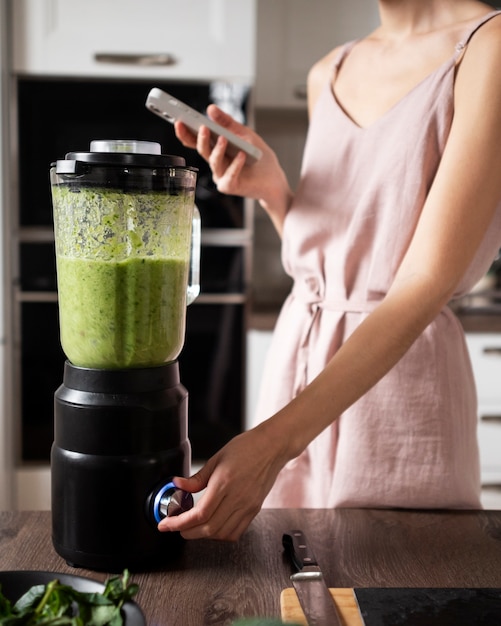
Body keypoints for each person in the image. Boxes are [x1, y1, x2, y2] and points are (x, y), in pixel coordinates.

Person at [158, 0, 501, 541]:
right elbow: (335, 251)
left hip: (398, 390)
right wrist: (272, 191)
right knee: (289, 594)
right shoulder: (329, 71)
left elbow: (424, 281)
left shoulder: (489, 47)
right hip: (299, 369)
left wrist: (272, 444)